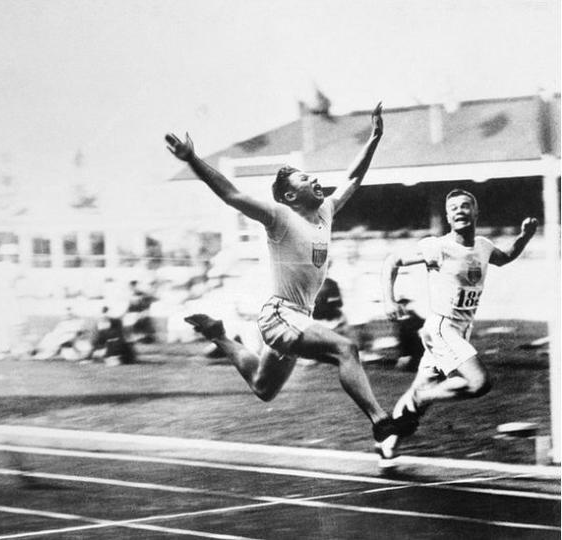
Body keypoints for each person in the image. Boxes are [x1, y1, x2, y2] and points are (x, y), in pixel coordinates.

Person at [166, 102, 411, 443]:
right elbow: (231, 194)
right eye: (305, 178)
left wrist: (374, 138)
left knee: (262, 387)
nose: (315, 179)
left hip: (299, 318)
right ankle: (381, 420)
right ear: (291, 194)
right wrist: (192, 159)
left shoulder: (326, 211)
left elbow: (353, 179)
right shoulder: (279, 217)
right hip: (280, 315)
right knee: (346, 349)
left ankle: (219, 335)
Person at [378, 189, 538, 465]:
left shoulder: (484, 246)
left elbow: (506, 257)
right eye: (453, 208)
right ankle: (422, 396)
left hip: (458, 331)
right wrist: (389, 300)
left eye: (466, 206)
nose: (460, 211)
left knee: (423, 389)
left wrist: (524, 237)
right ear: (448, 217)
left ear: (476, 213)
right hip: (441, 328)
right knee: (479, 383)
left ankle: (388, 441)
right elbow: (392, 261)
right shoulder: (437, 246)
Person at [0, 243, 28, 362]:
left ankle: (3, 347)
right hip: (10, 296)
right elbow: (23, 283)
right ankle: (14, 347)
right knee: (14, 321)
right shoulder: (17, 268)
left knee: (0, 322)